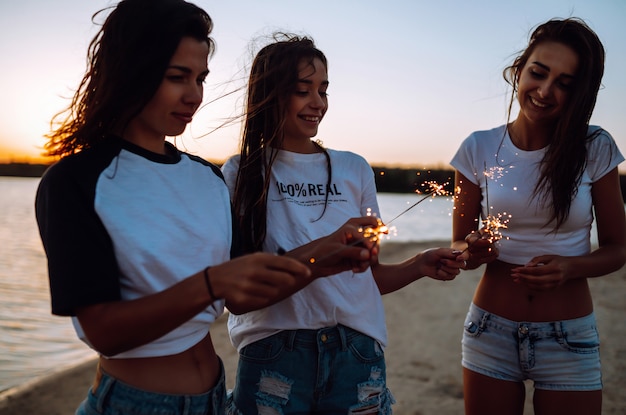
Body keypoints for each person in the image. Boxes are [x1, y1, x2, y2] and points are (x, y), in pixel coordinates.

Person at [34, 2, 380, 414]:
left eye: (200, 78)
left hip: (217, 400)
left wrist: (324, 255)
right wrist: (213, 283)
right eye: (177, 77)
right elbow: (104, 332)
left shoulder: (206, 178)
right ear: (130, 72)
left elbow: (246, 295)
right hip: (134, 404)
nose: (194, 95)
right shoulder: (77, 180)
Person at [221, 34, 465, 414]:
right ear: (270, 94)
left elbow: (366, 280)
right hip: (274, 354)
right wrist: (329, 248)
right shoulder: (241, 173)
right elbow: (239, 295)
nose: (318, 103)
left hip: (356, 352)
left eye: (323, 89)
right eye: (303, 90)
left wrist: (419, 265)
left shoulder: (354, 168)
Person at [451, 17, 626, 415]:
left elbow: (618, 250)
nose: (545, 91)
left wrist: (570, 267)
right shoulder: (477, 148)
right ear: (519, 70)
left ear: (580, 93)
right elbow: (459, 245)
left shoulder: (594, 147)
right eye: (538, 73)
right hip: (488, 332)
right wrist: (471, 250)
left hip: (570, 337)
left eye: (565, 83)